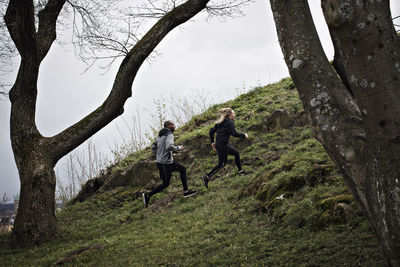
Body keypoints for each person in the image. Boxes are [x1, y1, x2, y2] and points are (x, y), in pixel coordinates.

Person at [142, 120, 197, 207]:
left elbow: (153, 147)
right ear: (168, 126)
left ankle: (186, 192)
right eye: (173, 125)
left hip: (165, 161)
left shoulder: (160, 135)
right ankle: (147, 195)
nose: (174, 126)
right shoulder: (169, 134)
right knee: (166, 183)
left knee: (182, 169)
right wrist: (178, 147)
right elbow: (169, 146)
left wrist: (160, 153)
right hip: (165, 163)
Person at [202, 108, 249, 188]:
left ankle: (241, 171)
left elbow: (211, 131)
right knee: (221, 164)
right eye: (233, 113)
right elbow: (234, 133)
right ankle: (207, 177)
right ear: (229, 114)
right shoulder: (229, 122)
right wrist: (244, 135)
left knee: (236, 153)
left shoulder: (221, 122)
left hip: (220, 144)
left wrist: (212, 142)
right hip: (222, 146)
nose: (234, 115)